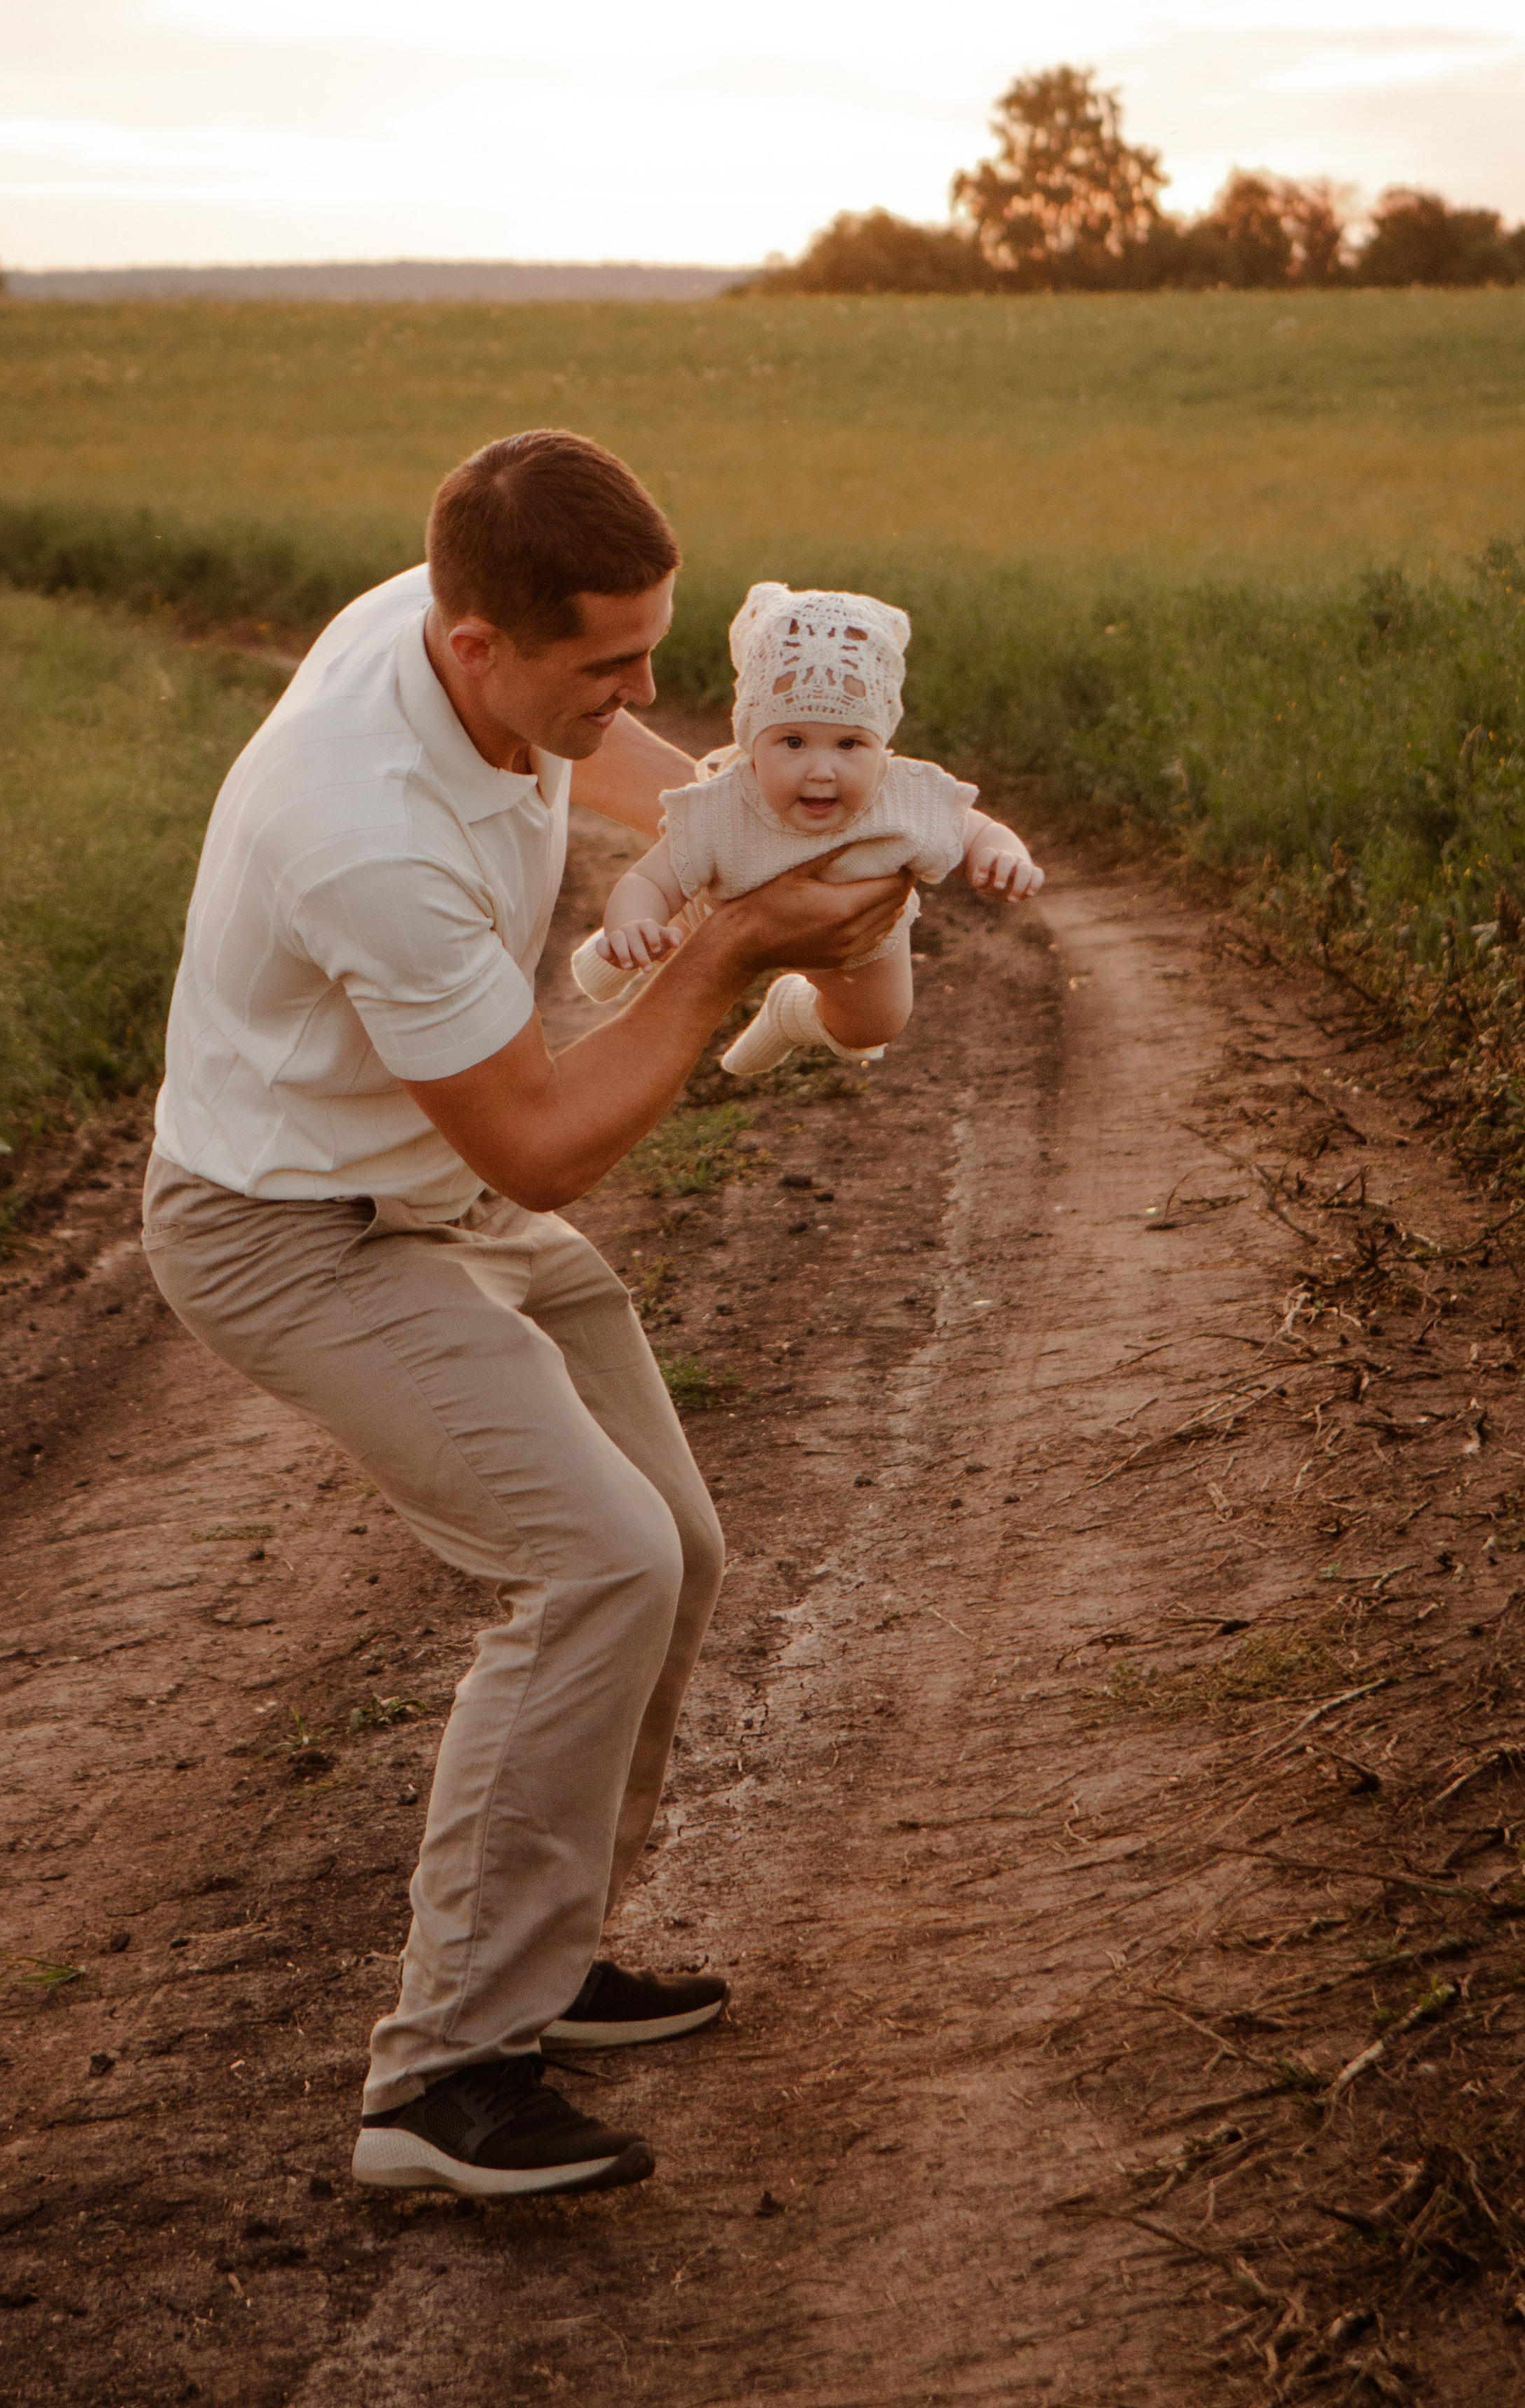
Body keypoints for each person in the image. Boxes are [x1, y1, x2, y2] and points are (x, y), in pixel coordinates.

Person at [140, 431, 910, 2202]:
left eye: (656, 649)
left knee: (679, 1547)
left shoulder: (439, 621)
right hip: (291, 1229)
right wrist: (729, 946)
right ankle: (439, 2079)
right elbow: (549, 1142)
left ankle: (545, 1965)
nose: (643, 696)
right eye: (606, 667)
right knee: (591, 1561)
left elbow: (649, 774)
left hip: (420, 1184)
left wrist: (770, 808)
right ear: (477, 645)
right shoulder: (366, 829)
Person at [570, 582, 1042, 1069]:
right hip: (729, 903)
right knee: (674, 916)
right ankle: (621, 951)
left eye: (849, 745)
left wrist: (1003, 858)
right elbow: (649, 878)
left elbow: (977, 831)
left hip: (858, 937)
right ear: (752, 744)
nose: (821, 770)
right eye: (793, 743)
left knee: (874, 1026)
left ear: (882, 745)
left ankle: (791, 1016)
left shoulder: (902, 795)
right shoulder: (724, 806)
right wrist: (632, 922)